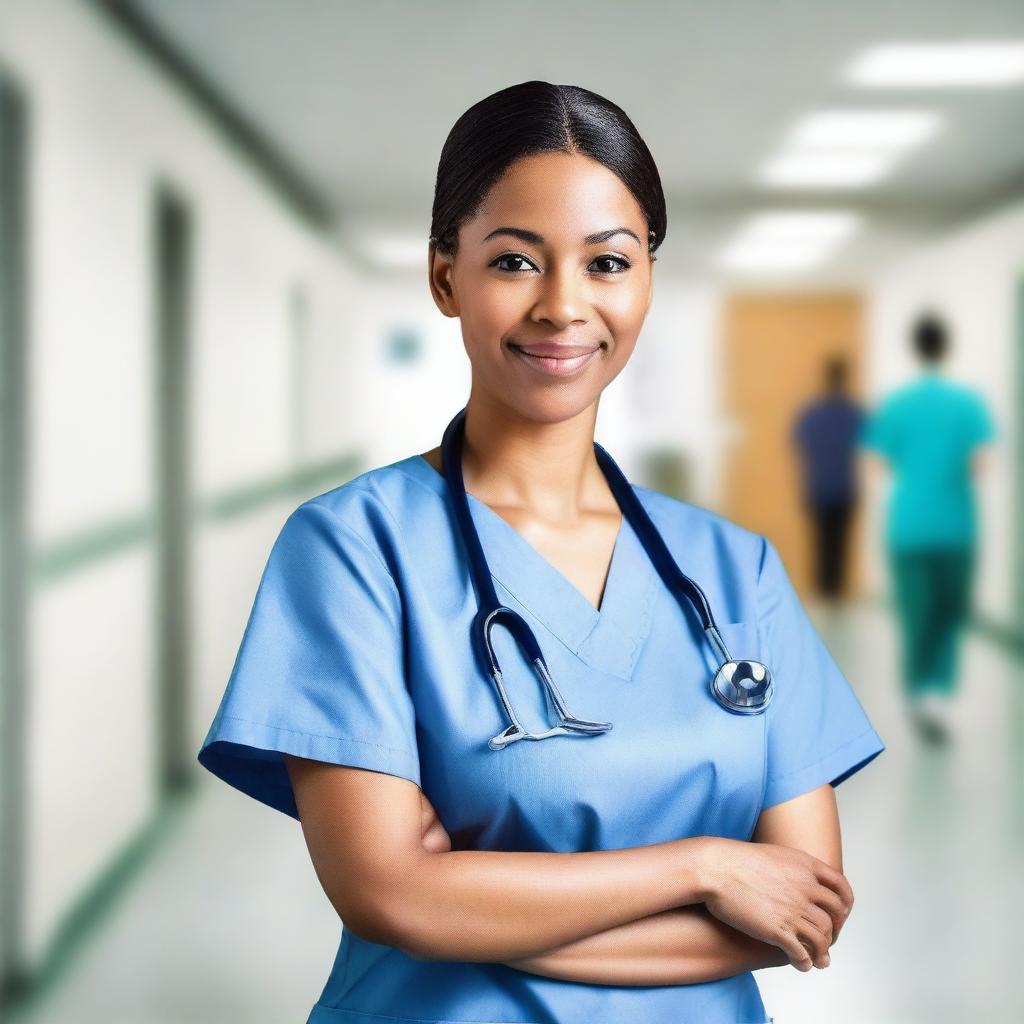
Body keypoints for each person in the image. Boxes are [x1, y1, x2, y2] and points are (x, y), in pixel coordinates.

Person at [197, 81, 885, 1024]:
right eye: (516, 261)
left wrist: (471, 899)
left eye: (608, 262)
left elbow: (796, 914)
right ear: (445, 277)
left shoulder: (735, 569)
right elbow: (388, 895)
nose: (563, 307)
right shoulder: (354, 548)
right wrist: (706, 867)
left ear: (647, 277)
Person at [861, 313, 994, 745]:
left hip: (909, 525)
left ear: (915, 349)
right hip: (956, 525)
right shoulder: (967, 403)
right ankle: (939, 692)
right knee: (950, 613)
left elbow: (878, 462)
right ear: (946, 348)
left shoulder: (898, 404)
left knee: (917, 613)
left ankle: (918, 694)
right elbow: (980, 465)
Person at [792, 358, 865, 600]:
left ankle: (824, 592)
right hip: (843, 486)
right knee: (839, 542)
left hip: (819, 485)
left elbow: (799, 442)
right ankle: (835, 593)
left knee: (822, 541)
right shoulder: (854, 414)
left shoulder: (813, 414)